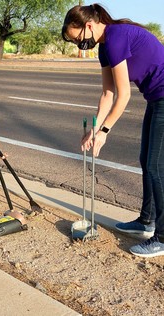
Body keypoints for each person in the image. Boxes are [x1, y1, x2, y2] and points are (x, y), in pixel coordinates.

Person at [62, 4, 164, 258]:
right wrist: (94, 128)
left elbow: (124, 95)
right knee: (146, 161)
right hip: (156, 98)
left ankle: (162, 237)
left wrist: (105, 131)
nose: (79, 45)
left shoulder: (117, 37)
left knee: (156, 167)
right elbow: (107, 93)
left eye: (78, 39)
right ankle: (146, 221)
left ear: (89, 25)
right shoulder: (106, 47)